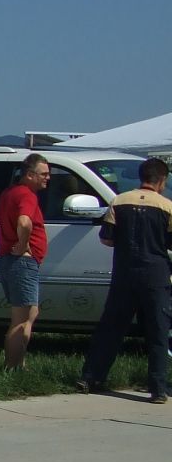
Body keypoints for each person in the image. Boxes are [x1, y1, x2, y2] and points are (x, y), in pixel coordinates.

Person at [76, 157, 172, 403]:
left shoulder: (119, 201)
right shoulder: (167, 206)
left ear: (142, 177)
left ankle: (91, 377)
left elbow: (106, 239)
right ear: (162, 180)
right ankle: (158, 389)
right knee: (157, 331)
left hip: (124, 273)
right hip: (155, 274)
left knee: (111, 327)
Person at [0, 153, 51, 369]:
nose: (48, 178)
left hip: (11, 261)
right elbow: (24, 222)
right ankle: (12, 367)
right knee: (20, 320)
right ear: (29, 175)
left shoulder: (9, 193)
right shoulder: (27, 195)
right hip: (22, 262)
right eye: (43, 174)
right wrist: (23, 245)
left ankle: (20, 363)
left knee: (31, 313)